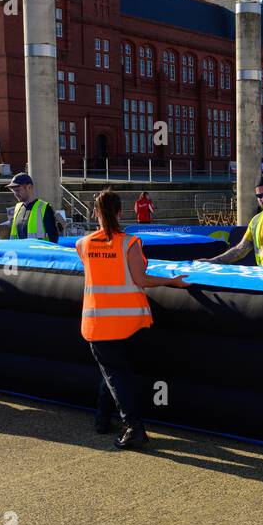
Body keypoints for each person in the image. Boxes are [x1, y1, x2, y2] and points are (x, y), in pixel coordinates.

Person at [77, 189, 189, 449]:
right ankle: (123, 424)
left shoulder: (83, 244)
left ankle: (115, 422)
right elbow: (141, 280)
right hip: (130, 324)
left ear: (95, 213)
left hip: (98, 325)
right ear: (120, 212)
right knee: (118, 374)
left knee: (113, 373)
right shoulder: (129, 243)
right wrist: (172, 281)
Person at [5, 172, 59, 242]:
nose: (15, 194)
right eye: (13, 191)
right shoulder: (17, 207)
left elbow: (53, 238)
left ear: (29, 187)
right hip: (21, 252)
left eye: (17, 190)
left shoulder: (45, 208)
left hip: (38, 252)